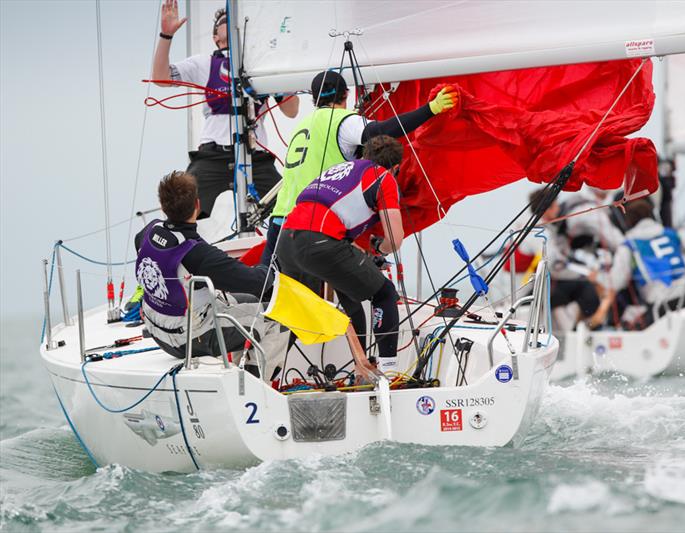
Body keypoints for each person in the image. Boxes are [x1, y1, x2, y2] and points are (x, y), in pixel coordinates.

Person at [261, 70, 457, 265]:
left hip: (280, 219)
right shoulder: (342, 121)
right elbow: (382, 131)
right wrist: (431, 109)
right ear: (346, 93)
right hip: (310, 224)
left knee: (268, 287)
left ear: (314, 99)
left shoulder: (304, 125)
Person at [152, 1, 299, 218]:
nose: (231, 23)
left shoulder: (261, 63)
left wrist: (277, 76)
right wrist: (166, 36)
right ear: (215, 38)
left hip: (254, 155)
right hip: (212, 156)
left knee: (292, 206)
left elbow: (292, 111)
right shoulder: (203, 63)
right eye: (224, 21)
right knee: (181, 205)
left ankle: (280, 248)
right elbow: (160, 78)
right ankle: (182, 248)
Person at [276, 135, 406, 375]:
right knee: (385, 293)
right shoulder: (383, 177)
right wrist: (379, 249)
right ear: (395, 167)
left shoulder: (341, 169)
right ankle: (390, 372)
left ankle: (270, 373)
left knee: (339, 304)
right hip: (319, 242)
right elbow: (395, 239)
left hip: (286, 240)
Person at [135, 171, 285, 376]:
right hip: (189, 340)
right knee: (279, 318)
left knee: (249, 300)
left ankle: (239, 367)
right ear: (197, 205)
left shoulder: (147, 233)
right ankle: (252, 384)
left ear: (162, 207)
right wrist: (273, 242)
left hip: (157, 331)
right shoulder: (198, 254)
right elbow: (262, 281)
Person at [520, 188, 613, 330]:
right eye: (556, 204)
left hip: (540, 286)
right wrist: (586, 275)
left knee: (584, 286)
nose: (559, 208)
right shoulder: (539, 233)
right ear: (547, 209)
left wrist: (585, 271)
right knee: (586, 289)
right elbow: (556, 267)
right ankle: (585, 328)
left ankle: (581, 327)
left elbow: (562, 260)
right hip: (529, 293)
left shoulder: (543, 228)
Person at [608, 198, 685, 326]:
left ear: (628, 221)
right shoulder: (671, 234)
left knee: (633, 325)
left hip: (662, 305)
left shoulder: (629, 244)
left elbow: (616, 282)